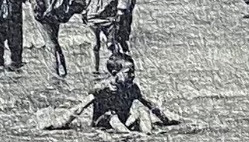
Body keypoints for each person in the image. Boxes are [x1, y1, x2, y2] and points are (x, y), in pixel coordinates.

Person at [47, 54, 179, 133]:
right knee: (111, 115)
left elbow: (150, 105)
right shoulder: (103, 88)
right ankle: (129, 135)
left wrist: (166, 120)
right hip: (102, 123)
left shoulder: (132, 88)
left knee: (142, 110)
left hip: (122, 123)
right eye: (128, 72)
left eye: (133, 72)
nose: (133, 75)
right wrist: (60, 123)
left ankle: (146, 136)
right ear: (115, 73)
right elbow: (81, 107)